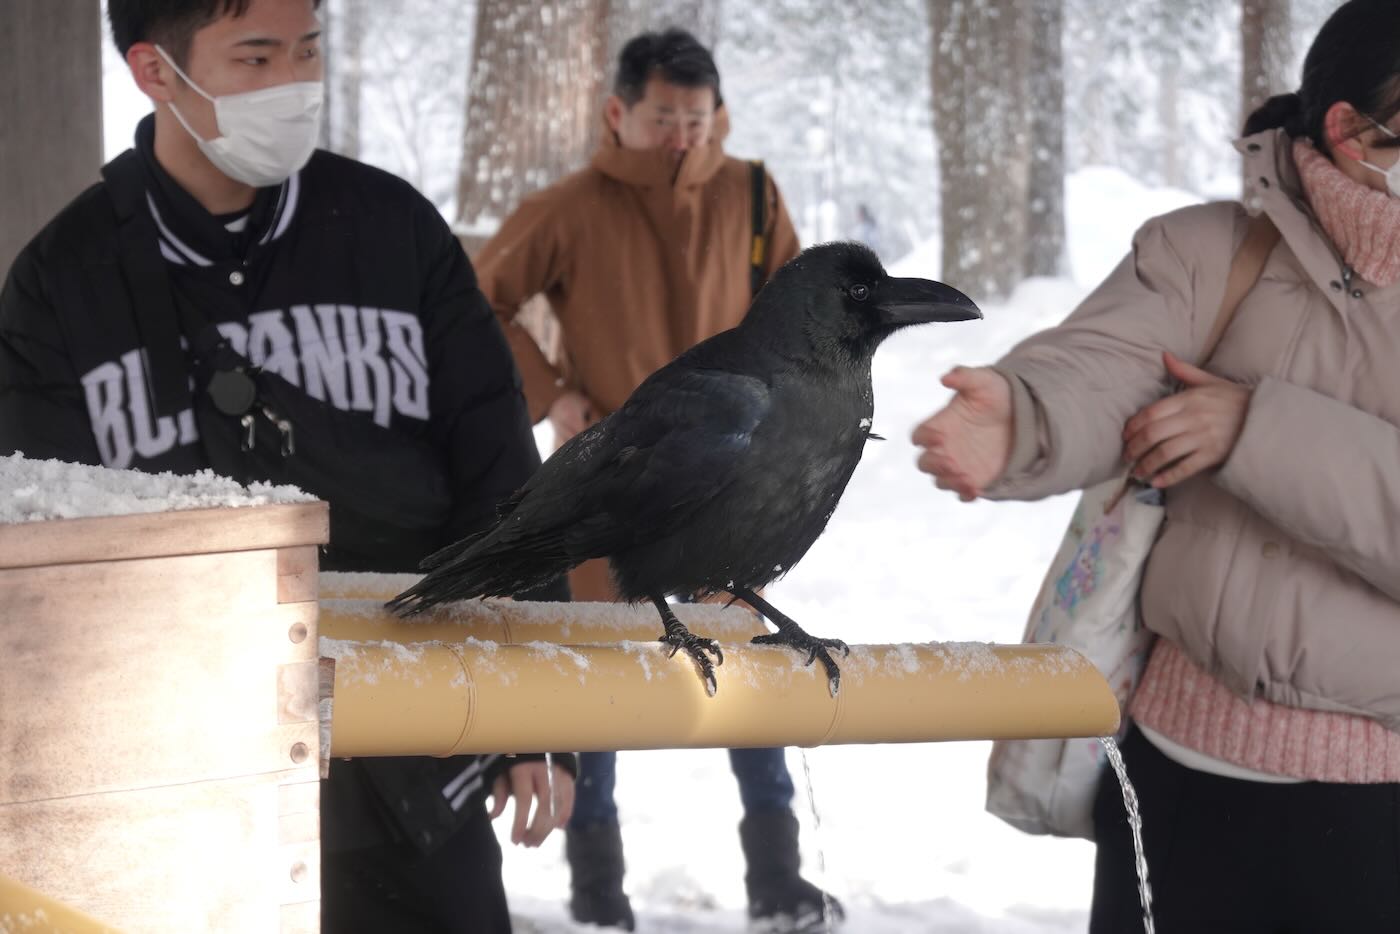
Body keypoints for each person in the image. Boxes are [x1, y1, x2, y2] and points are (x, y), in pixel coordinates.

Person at [0, 1, 575, 931]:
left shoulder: (395, 233)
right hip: (187, 805)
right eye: (257, 57)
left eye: (308, 51)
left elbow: (502, 476)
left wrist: (539, 715)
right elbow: (49, 574)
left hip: (423, 781)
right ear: (155, 73)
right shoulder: (61, 285)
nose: (294, 85)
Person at [913, 2, 1400, 930]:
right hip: (1180, 781)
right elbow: (1104, 367)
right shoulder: (1213, 251)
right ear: (1349, 129)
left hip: (1383, 810)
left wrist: (1256, 431)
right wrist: (1021, 413)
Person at [474, 27, 843, 934]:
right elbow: (480, 301)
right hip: (630, 481)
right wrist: (555, 395)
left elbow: (804, 324)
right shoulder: (568, 207)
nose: (682, 137)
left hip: (742, 483)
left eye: (696, 118)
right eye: (663, 117)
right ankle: (599, 896)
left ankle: (778, 880)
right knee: (605, 674)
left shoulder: (751, 196)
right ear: (618, 113)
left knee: (752, 666)